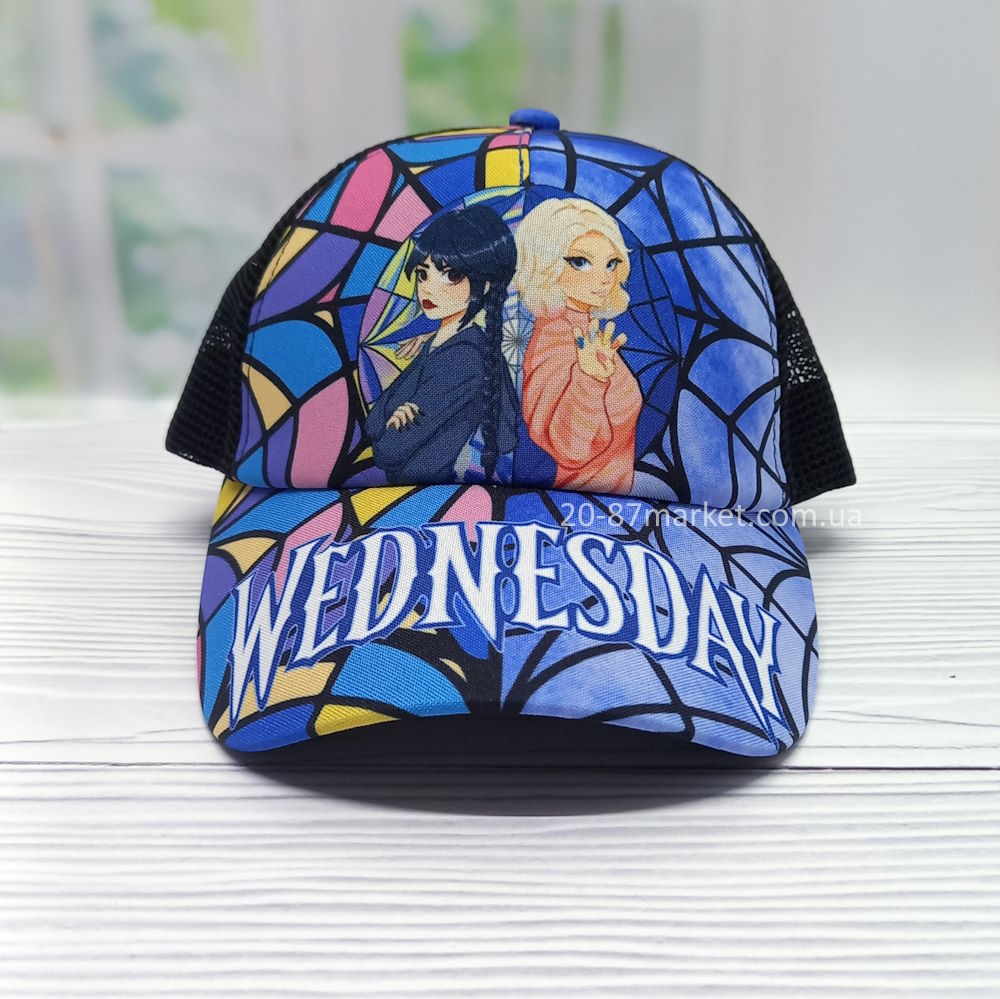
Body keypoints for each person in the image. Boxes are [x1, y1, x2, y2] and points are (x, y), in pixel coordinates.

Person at [365, 204, 518, 484]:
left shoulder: (464, 359)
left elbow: (387, 451)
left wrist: (389, 419)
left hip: (429, 490)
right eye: (423, 273)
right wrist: (390, 417)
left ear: (485, 284)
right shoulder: (441, 344)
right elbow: (373, 423)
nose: (427, 288)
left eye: (450, 275)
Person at [514, 197, 642, 493]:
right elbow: (569, 447)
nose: (605, 278)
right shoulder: (555, 337)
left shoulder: (585, 330)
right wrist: (589, 381)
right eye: (581, 262)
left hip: (612, 501)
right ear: (544, 266)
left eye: (611, 263)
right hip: (578, 504)